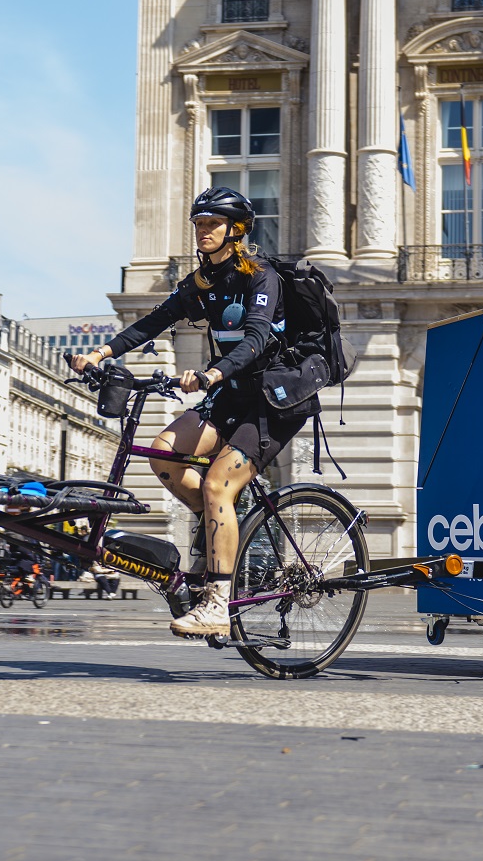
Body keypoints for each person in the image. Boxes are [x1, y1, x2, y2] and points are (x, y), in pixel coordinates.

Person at [71, 187, 312, 638]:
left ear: (235, 231)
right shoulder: (202, 283)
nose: (202, 232)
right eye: (198, 225)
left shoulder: (262, 278)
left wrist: (211, 374)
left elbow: (258, 337)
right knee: (163, 454)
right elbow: (153, 321)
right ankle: (217, 523)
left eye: (212, 225)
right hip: (229, 398)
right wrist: (101, 352)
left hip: (271, 402)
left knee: (218, 483)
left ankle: (218, 603)